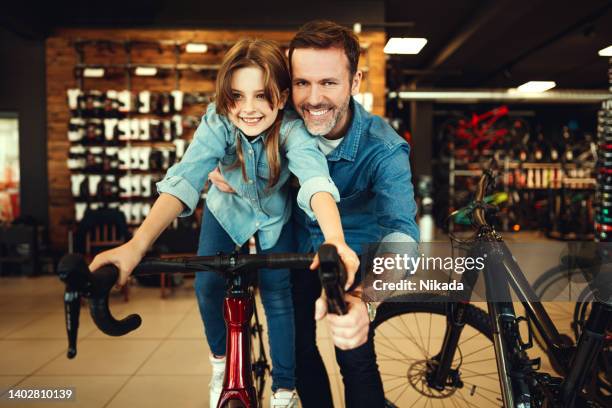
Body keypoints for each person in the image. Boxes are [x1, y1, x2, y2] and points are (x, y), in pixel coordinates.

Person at [88, 39, 360, 408]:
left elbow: (315, 182)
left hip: (273, 216)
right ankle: (220, 362)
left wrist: (335, 239)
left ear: (280, 98)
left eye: (261, 95)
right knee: (207, 286)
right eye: (237, 96)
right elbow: (185, 179)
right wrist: (136, 245)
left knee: (278, 296)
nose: (247, 109)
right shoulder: (217, 123)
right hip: (225, 209)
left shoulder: (293, 130)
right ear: (225, 98)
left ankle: (284, 390)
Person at [209, 21, 419, 408]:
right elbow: (225, 123)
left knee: (354, 356)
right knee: (296, 350)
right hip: (292, 250)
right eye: (303, 83)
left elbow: (402, 235)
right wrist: (224, 165)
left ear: (355, 81)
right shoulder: (276, 116)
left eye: (329, 83)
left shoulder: (384, 150)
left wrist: (366, 298)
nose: (313, 98)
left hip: (351, 263)